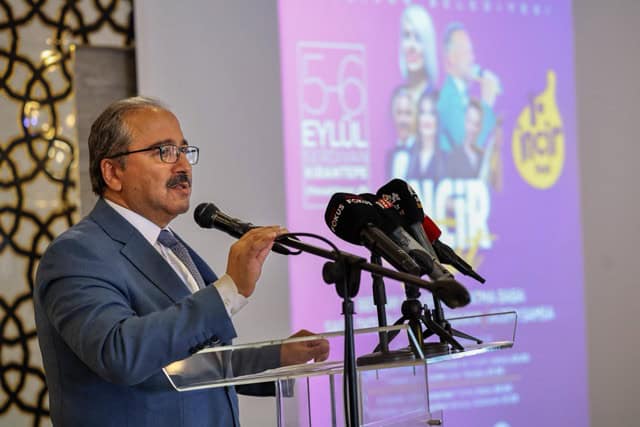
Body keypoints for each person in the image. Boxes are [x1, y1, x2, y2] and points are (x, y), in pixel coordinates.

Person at [33, 97, 330, 427]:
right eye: (164, 151)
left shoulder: (170, 246)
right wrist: (228, 290)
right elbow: (119, 354)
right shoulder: (76, 254)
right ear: (113, 172)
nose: (183, 166)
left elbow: (187, 362)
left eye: (184, 151)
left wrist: (277, 357)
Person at [437, 22, 499, 153]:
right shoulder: (448, 98)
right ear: (451, 58)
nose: (472, 58)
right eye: (467, 52)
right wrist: (487, 104)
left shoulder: (462, 94)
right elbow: (468, 150)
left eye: (472, 52)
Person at [398, 5, 439, 104]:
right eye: (407, 36)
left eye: (418, 38)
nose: (411, 46)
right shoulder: (398, 99)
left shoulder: (438, 101)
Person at [407, 90, 445, 181]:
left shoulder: (447, 159)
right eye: (423, 113)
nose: (427, 119)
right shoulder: (407, 156)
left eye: (432, 113)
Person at [446, 98, 485, 178]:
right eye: (469, 121)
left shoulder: (483, 158)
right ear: (464, 121)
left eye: (476, 124)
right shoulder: (453, 157)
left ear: (480, 127)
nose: (472, 129)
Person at [387, 86, 417, 179]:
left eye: (408, 113)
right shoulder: (390, 156)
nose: (403, 120)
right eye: (399, 113)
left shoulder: (424, 153)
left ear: (416, 116)